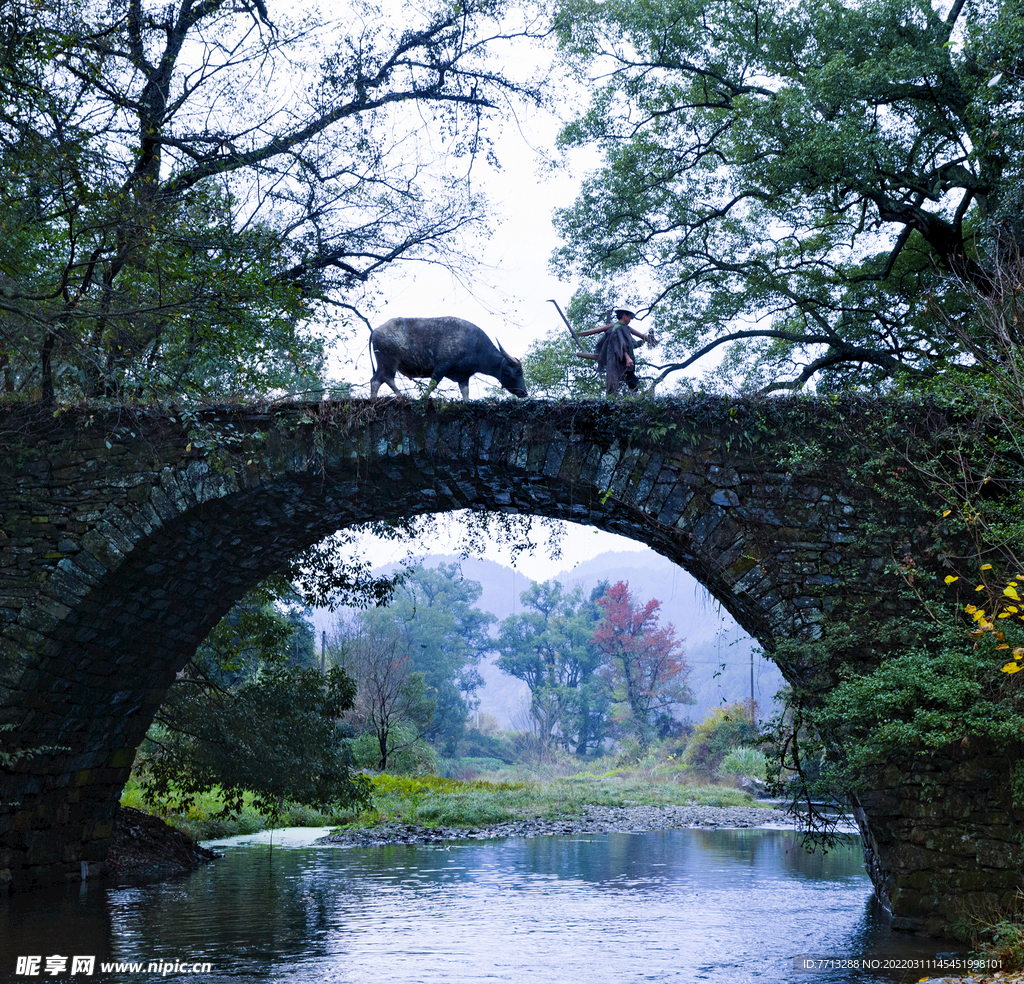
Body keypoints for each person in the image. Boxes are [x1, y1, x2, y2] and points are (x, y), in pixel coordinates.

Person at [576, 307, 650, 394]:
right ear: (624, 316)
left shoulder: (624, 328)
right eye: (629, 316)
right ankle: (613, 402)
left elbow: (629, 345)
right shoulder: (617, 329)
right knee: (620, 385)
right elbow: (619, 345)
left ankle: (628, 400)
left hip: (623, 364)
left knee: (632, 383)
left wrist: (642, 342)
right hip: (619, 363)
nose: (630, 319)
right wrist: (628, 358)